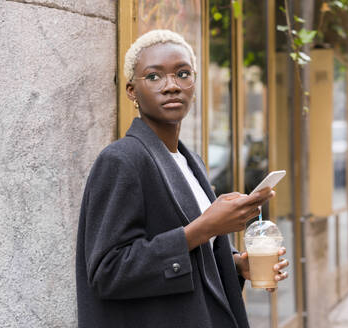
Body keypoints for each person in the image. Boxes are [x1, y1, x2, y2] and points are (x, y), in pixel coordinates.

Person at [75, 29, 289, 328]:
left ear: (194, 85)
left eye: (183, 73)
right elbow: (107, 273)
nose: (171, 86)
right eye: (153, 76)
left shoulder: (191, 162)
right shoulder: (121, 160)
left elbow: (196, 255)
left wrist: (238, 264)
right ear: (131, 91)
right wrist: (204, 227)